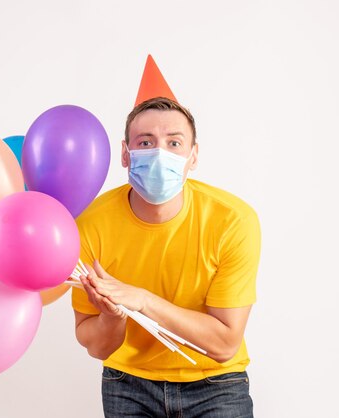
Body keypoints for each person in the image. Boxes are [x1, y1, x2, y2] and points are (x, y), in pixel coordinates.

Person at [72, 58, 260, 418]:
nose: (160, 154)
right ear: (126, 154)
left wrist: (141, 300)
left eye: (174, 143)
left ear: (193, 156)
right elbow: (96, 346)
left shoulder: (233, 220)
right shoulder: (89, 224)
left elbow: (224, 343)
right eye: (146, 142)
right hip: (127, 384)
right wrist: (113, 317)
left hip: (217, 384)